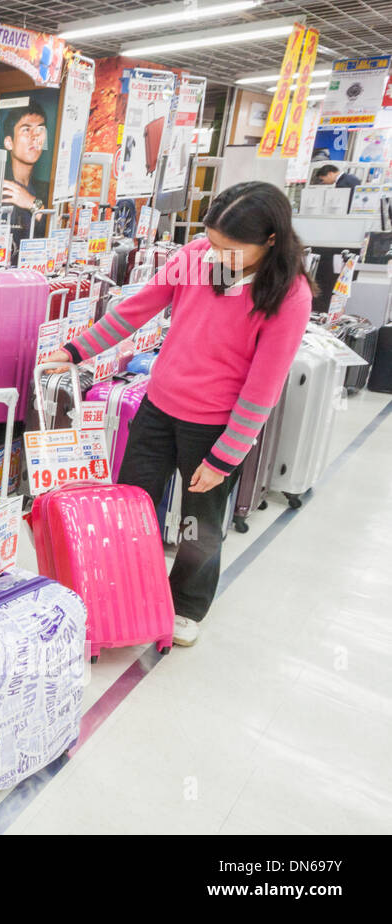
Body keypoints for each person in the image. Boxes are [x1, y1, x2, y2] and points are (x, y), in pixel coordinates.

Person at [44, 182, 314, 647]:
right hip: (157, 406)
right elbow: (134, 311)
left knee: (198, 524)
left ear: (270, 241)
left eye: (230, 249)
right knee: (131, 504)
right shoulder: (194, 257)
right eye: (211, 242)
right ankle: (125, 591)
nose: (216, 256)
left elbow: (263, 386)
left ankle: (186, 605)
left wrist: (226, 456)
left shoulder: (289, 295)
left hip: (214, 427)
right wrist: (75, 350)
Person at [0, 101, 51, 245]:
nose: (35, 136)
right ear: (9, 143)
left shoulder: (46, 190)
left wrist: (31, 202)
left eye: (40, 130)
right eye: (26, 130)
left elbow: (56, 227)